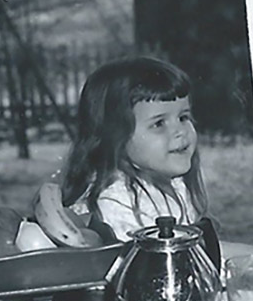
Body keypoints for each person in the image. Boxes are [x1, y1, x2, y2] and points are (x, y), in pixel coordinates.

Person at [60, 56, 209, 242]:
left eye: (183, 117)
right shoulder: (115, 205)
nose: (180, 131)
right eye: (159, 123)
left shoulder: (172, 183)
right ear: (116, 136)